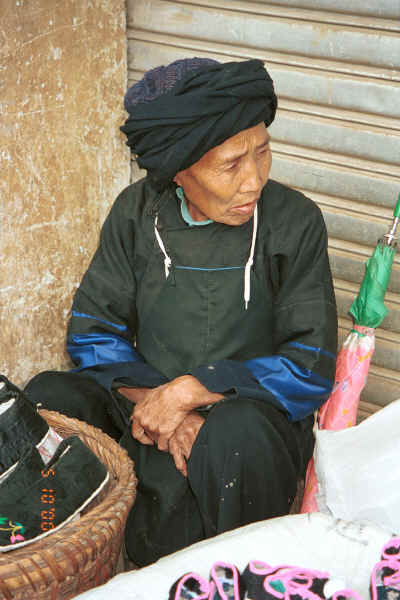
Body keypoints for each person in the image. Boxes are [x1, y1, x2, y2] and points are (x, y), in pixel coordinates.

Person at [25, 57, 338, 566]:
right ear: (179, 172)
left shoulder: (293, 222)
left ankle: (241, 576)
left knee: (234, 434)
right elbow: (93, 332)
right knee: (49, 397)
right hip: (143, 407)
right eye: (231, 164)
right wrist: (163, 408)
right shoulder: (136, 212)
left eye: (262, 152)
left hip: (246, 419)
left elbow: (309, 363)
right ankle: (79, 571)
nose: (254, 180)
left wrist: (192, 392)